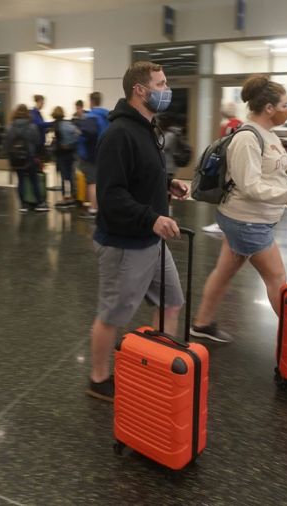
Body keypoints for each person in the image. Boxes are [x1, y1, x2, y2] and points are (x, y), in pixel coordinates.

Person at [189, 75, 287, 343]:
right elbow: (251, 187)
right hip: (247, 222)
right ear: (269, 108)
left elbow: (279, 181)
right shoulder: (247, 139)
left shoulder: (269, 136)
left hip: (250, 219)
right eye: (285, 104)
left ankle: (202, 325)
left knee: (224, 271)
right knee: (277, 278)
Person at [87, 61, 190, 401]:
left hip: (152, 240)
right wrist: (151, 217)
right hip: (125, 244)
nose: (166, 90)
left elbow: (140, 175)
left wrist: (167, 184)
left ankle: (158, 364)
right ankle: (99, 379)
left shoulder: (146, 126)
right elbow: (111, 195)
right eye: (160, 84)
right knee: (112, 315)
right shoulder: (118, 134)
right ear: (139, 90)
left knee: (172, 302)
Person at [203, 103, 247, 235]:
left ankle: (221, 223)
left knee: (224, 192)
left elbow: (221, 145)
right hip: (239, 163)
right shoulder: (243, 124)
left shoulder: (226, 126)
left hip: (227, 164)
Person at [4, 104, 48, 213]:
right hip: (30, 157)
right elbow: (38, 142)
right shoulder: (32, 126)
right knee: (34, 180)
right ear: (27, 113)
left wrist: (9, 156)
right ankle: (39, 203)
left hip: (16, 159)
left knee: (21, 180)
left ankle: (23, 205)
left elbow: (6, 144)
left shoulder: (9, 127)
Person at [76, 91, 111, 219]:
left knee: (92, 182)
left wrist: (80, 133)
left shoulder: (91, 116)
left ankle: (93, 209)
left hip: (92, 155)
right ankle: (101, 206)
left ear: (91, 101)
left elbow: (89, 133)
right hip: (105, 153)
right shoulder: (107, 115)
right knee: (101, 182)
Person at [51, 106, 80, 208]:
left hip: (61, 154)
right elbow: (78, 133)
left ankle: (65, 198)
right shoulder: (67, 124)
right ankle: (72, 196)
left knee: (64, 176)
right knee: (71, 175)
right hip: (71, 153)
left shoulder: (57, 124)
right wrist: (72, 143)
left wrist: (64, 144)